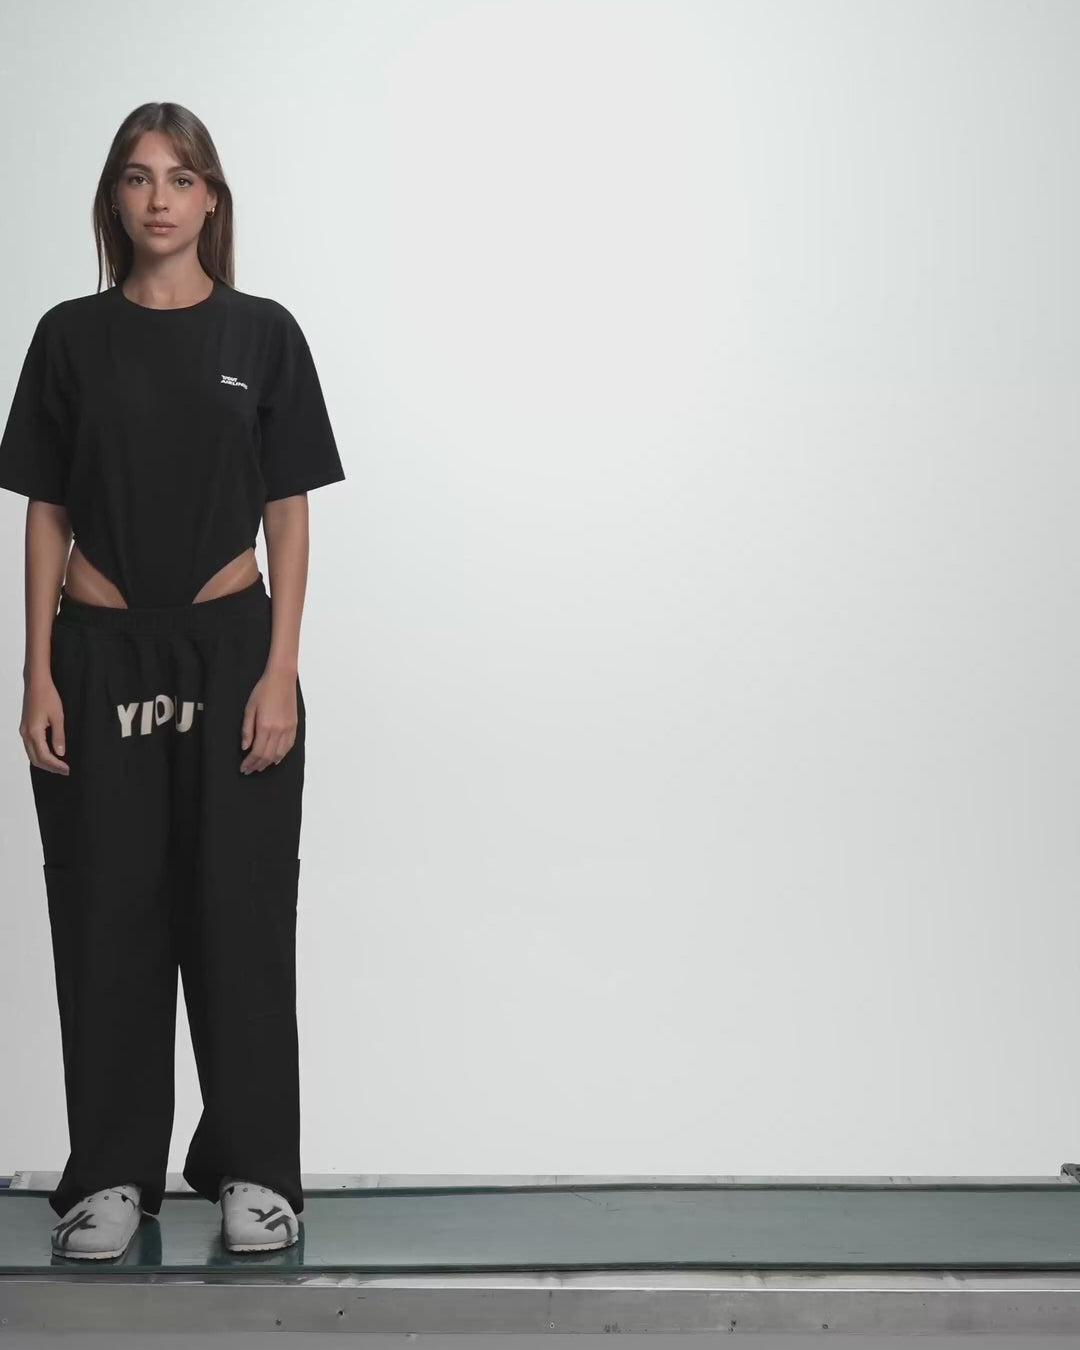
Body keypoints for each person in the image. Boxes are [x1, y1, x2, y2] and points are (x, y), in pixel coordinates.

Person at [0, 102, 345, 1259]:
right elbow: (46, 511)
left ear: (211, 199)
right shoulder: (68, 337)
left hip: (231, 649)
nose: (160, 198)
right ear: (113, 196)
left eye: (182, 177)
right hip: (98, 654)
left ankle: (254, 1170)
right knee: (107, 908)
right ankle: (109, 1176)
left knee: (240, 909)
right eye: (139, 177)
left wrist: (281, 669)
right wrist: (38, 672)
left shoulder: (263, 334)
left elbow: (288, 514)